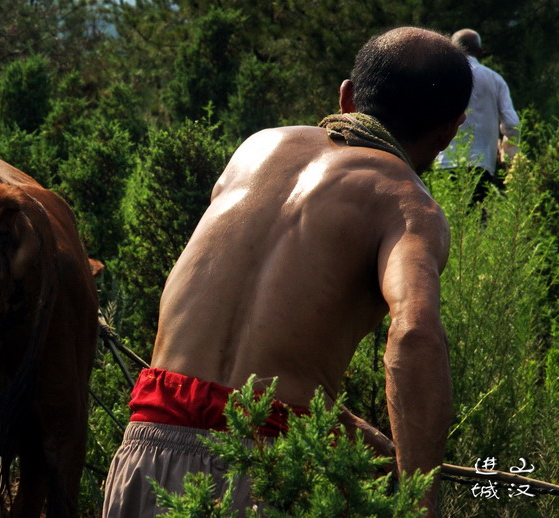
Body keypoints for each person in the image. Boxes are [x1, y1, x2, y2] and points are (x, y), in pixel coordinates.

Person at [103, 27, 472, 518]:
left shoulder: (256, 149)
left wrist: (343, 426)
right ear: (451, 130)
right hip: (265, 476)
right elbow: (416, 335)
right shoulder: (408, 206)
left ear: (347, 96)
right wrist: (418, 499)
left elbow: (227, 333)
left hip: (148, 451)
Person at [436, 28, 520, 202]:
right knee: (476, 218)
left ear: (451, 49)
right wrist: (508, 154)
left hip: (445, 161)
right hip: (481, 163)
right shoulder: (495, 79)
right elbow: (512, 124)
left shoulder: (441, 76)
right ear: (480, 52)